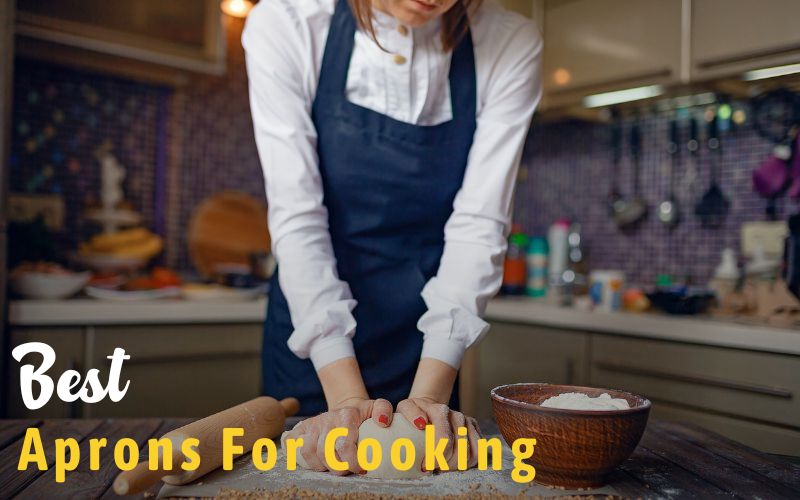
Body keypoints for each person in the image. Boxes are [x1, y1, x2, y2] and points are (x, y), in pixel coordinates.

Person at [243, 0, 542, 473]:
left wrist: (426, 400)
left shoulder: (509, 42)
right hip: (314, 340)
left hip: (427, 345)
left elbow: (478, 225)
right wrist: (344, 398)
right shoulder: (287, 23)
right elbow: (299, 217)